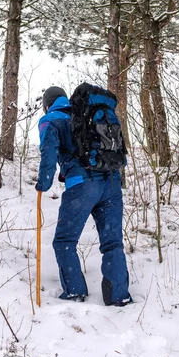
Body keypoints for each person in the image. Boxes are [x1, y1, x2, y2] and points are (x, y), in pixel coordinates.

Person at [35, 84, 132, 306]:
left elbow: (48, 153)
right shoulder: (86, 113)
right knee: (113, 243)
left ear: (47, 105)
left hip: (82, 186)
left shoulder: (51, 119)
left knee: (64, 241)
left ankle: (75, 292)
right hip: (111, 182)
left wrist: (43, 183)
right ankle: (119, 296)